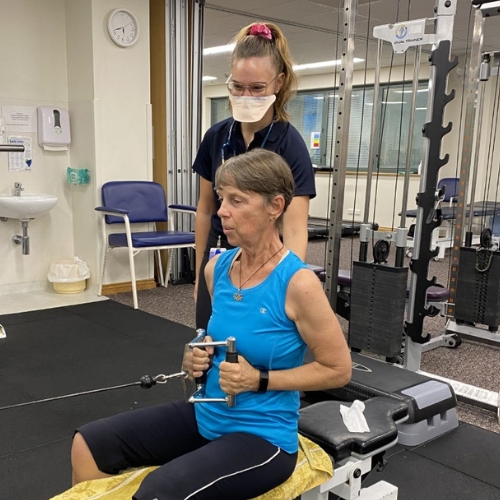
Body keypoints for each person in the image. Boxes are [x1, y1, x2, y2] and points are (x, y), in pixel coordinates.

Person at [70, 148, 351, 500]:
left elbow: (338, 370)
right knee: (89, 444)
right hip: (206, 416)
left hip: (263, 436)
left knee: (157, 493)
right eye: (221, 198)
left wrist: (259, 379)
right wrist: (196, 355)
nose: (221, 211)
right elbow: (211, 338)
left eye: (237, 200)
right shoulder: (216, 268)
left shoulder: (298, 283)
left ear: (275, 206)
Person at [193, 21, 316, 330]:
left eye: (257, 88)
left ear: (278, 82)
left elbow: (295, 229)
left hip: (265, 263)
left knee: (255, 343)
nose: (246, 95)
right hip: (219, 257)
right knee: (208, 341)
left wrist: (285, 288)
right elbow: (205, 210)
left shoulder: (290, 146)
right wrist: (198, 275)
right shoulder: (216, 137)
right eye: (237, 87)